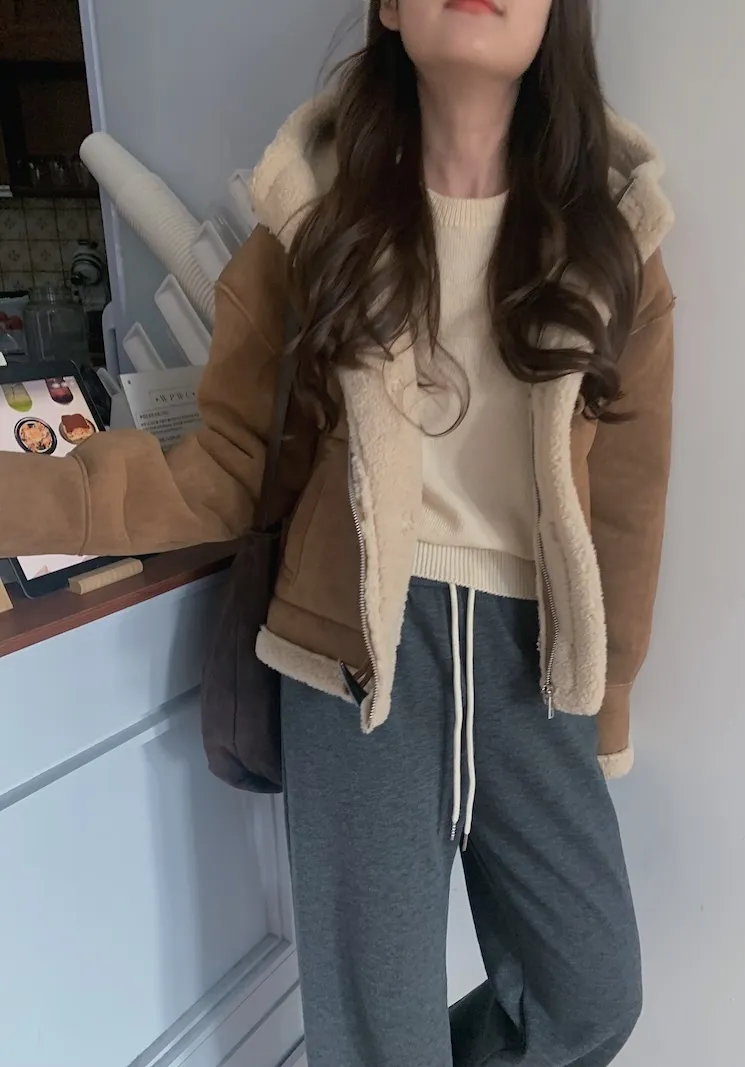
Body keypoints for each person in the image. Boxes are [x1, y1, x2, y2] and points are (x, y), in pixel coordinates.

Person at [0, 2, 676, 1064]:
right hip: (356, 666)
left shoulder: (614, 241)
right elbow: (231, 462)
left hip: (533, 672)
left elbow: (626, 509)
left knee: (587, 994)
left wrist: (611, 695)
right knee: (376, 1039)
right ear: (389, 7)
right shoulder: (311, 225)